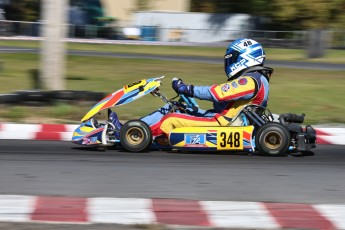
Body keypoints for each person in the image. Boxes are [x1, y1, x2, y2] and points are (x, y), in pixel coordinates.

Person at [141, 38, 273, 137]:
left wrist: (187, 89)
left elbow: (218, 94)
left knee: (170, 119)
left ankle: (139, 134)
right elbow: (224, 103)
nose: (229, 63)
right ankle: (139, 126)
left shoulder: (249, 81)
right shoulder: (258, 78)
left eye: (232, 59)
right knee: (176, 106)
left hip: (224, 124)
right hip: (226, 119)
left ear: (246, 57)